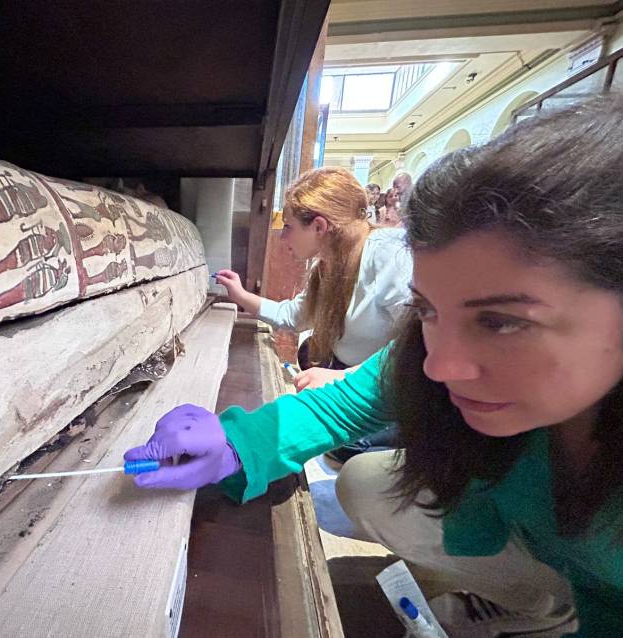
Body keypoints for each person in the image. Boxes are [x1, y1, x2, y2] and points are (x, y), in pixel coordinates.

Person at [126, 95, 623, 637]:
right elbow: (343, 404)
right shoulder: (413, 342)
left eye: (502, 322)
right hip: (546, 536)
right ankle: (536, 600)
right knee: (365, 481)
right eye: (427, 310)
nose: (440, 367)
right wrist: (233, 446)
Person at [214, 167, 412, 392]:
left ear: (319, 226)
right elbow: (293, 317)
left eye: (288, 226)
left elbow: (416, 344)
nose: (283, 236)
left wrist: (343, 377)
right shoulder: (328, 266)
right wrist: (240, 294)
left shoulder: (389, 253)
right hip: (351, 380)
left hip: (382, 391)